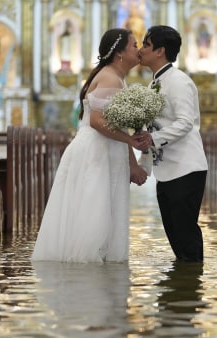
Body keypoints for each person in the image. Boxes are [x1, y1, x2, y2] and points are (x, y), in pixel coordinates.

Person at [32, 28, 150, 262]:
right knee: (94, 210)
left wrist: (132, 162)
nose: (138, 51)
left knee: (101, 208)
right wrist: (130, 141)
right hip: (96, 151)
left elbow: (118, 125)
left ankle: (101, 265)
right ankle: (88, 274)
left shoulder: (116, 77)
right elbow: (97, 121)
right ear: (119, 53)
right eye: (134, 45)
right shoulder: (109, 77)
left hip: (105, 148)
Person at [136, 25, 209, 262]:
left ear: (160, 51)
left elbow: (186, 122)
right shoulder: (154, 84)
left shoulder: (179, 81)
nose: (141, 50)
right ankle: (180, 292)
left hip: (186, 169)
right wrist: (143, 166)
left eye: (146, 45)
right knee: (175, 239)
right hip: (166, 171)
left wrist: (153, 139)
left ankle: (190, 291)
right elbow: (151, 129)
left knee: (186, 237)